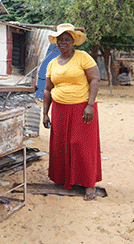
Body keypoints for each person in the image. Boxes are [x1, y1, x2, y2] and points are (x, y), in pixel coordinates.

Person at [42, 23, 102, 201]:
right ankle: (63, 179)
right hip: (59, 109)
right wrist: (45, 113)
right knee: (60, 144)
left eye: (67, 40)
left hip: (82, 108)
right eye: (60, 40)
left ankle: (89, 184)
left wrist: (90, 105)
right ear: (56, 43)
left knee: (81, 144)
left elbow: (95, 79)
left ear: (73, 41)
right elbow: (47, 89)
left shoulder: (83, 57)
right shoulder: (52, 63)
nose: (63, 43)